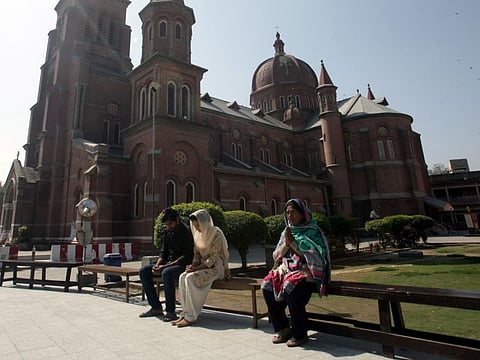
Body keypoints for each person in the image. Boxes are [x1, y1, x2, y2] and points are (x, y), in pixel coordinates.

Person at [261, 199, 331, 347]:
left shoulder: (313, 231)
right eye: (287, 213)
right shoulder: (287, 231)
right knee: (267, 284)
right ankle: (283, 328)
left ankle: (300, 333)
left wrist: (293, 243)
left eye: (293, 212)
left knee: (290, 286)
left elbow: (316, 256)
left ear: (302, 213)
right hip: (286, 269)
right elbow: (276, 255)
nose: (289, 215)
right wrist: (287, 245)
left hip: (307, 272)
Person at [172, 209, 230, 327]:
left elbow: (213, 258)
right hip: (202, 266)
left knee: (190, 278)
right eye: (195, 226)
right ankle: (185, 313)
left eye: (198, 225)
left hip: (216, 267)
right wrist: (193, 265)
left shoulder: (216, 233)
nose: (197, 228)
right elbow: (197, 254)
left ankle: (191, 316)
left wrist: (196, 269)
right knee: (183, 276)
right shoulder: (197, 235)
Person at [139, 208, 194, 321]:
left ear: (177, 220)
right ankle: (156, 307)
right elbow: (164, 252)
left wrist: (165, 267)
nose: (169, 226)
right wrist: (158, 264)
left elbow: (186, 256)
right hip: (168, 263)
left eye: (170, 224)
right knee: (144, 271)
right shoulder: (168, 232)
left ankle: (170, 311)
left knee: (166, 273)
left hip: (182, 264)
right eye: (167, 224)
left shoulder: (187, 232)